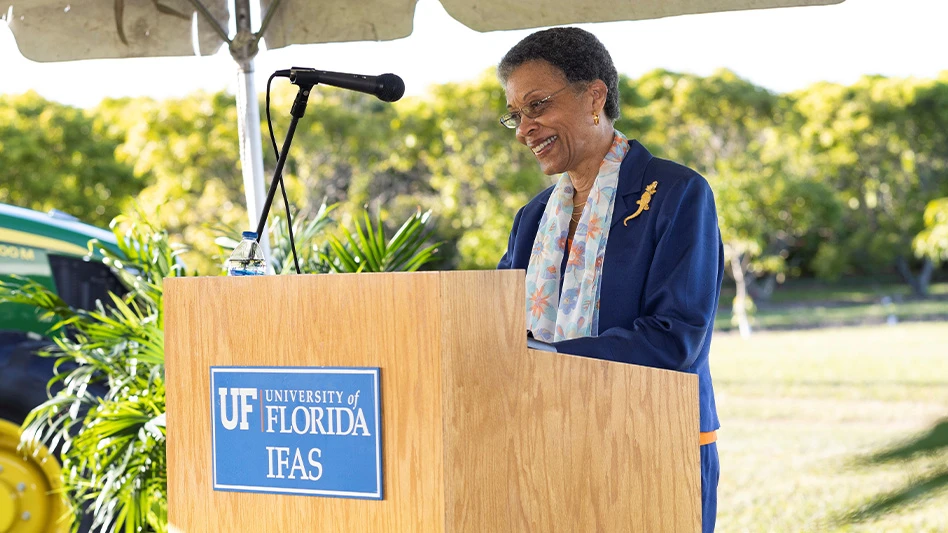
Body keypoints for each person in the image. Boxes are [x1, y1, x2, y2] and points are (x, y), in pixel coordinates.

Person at [496, 27, 723, 532]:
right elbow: (498, 325)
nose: (524, 129)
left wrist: (549, 356)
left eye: (537, 106)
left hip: (654, 442)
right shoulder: (533, 218)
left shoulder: (676, 194)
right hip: (545, 443)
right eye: (515, 115)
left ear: (594, 97)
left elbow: (675, 339)